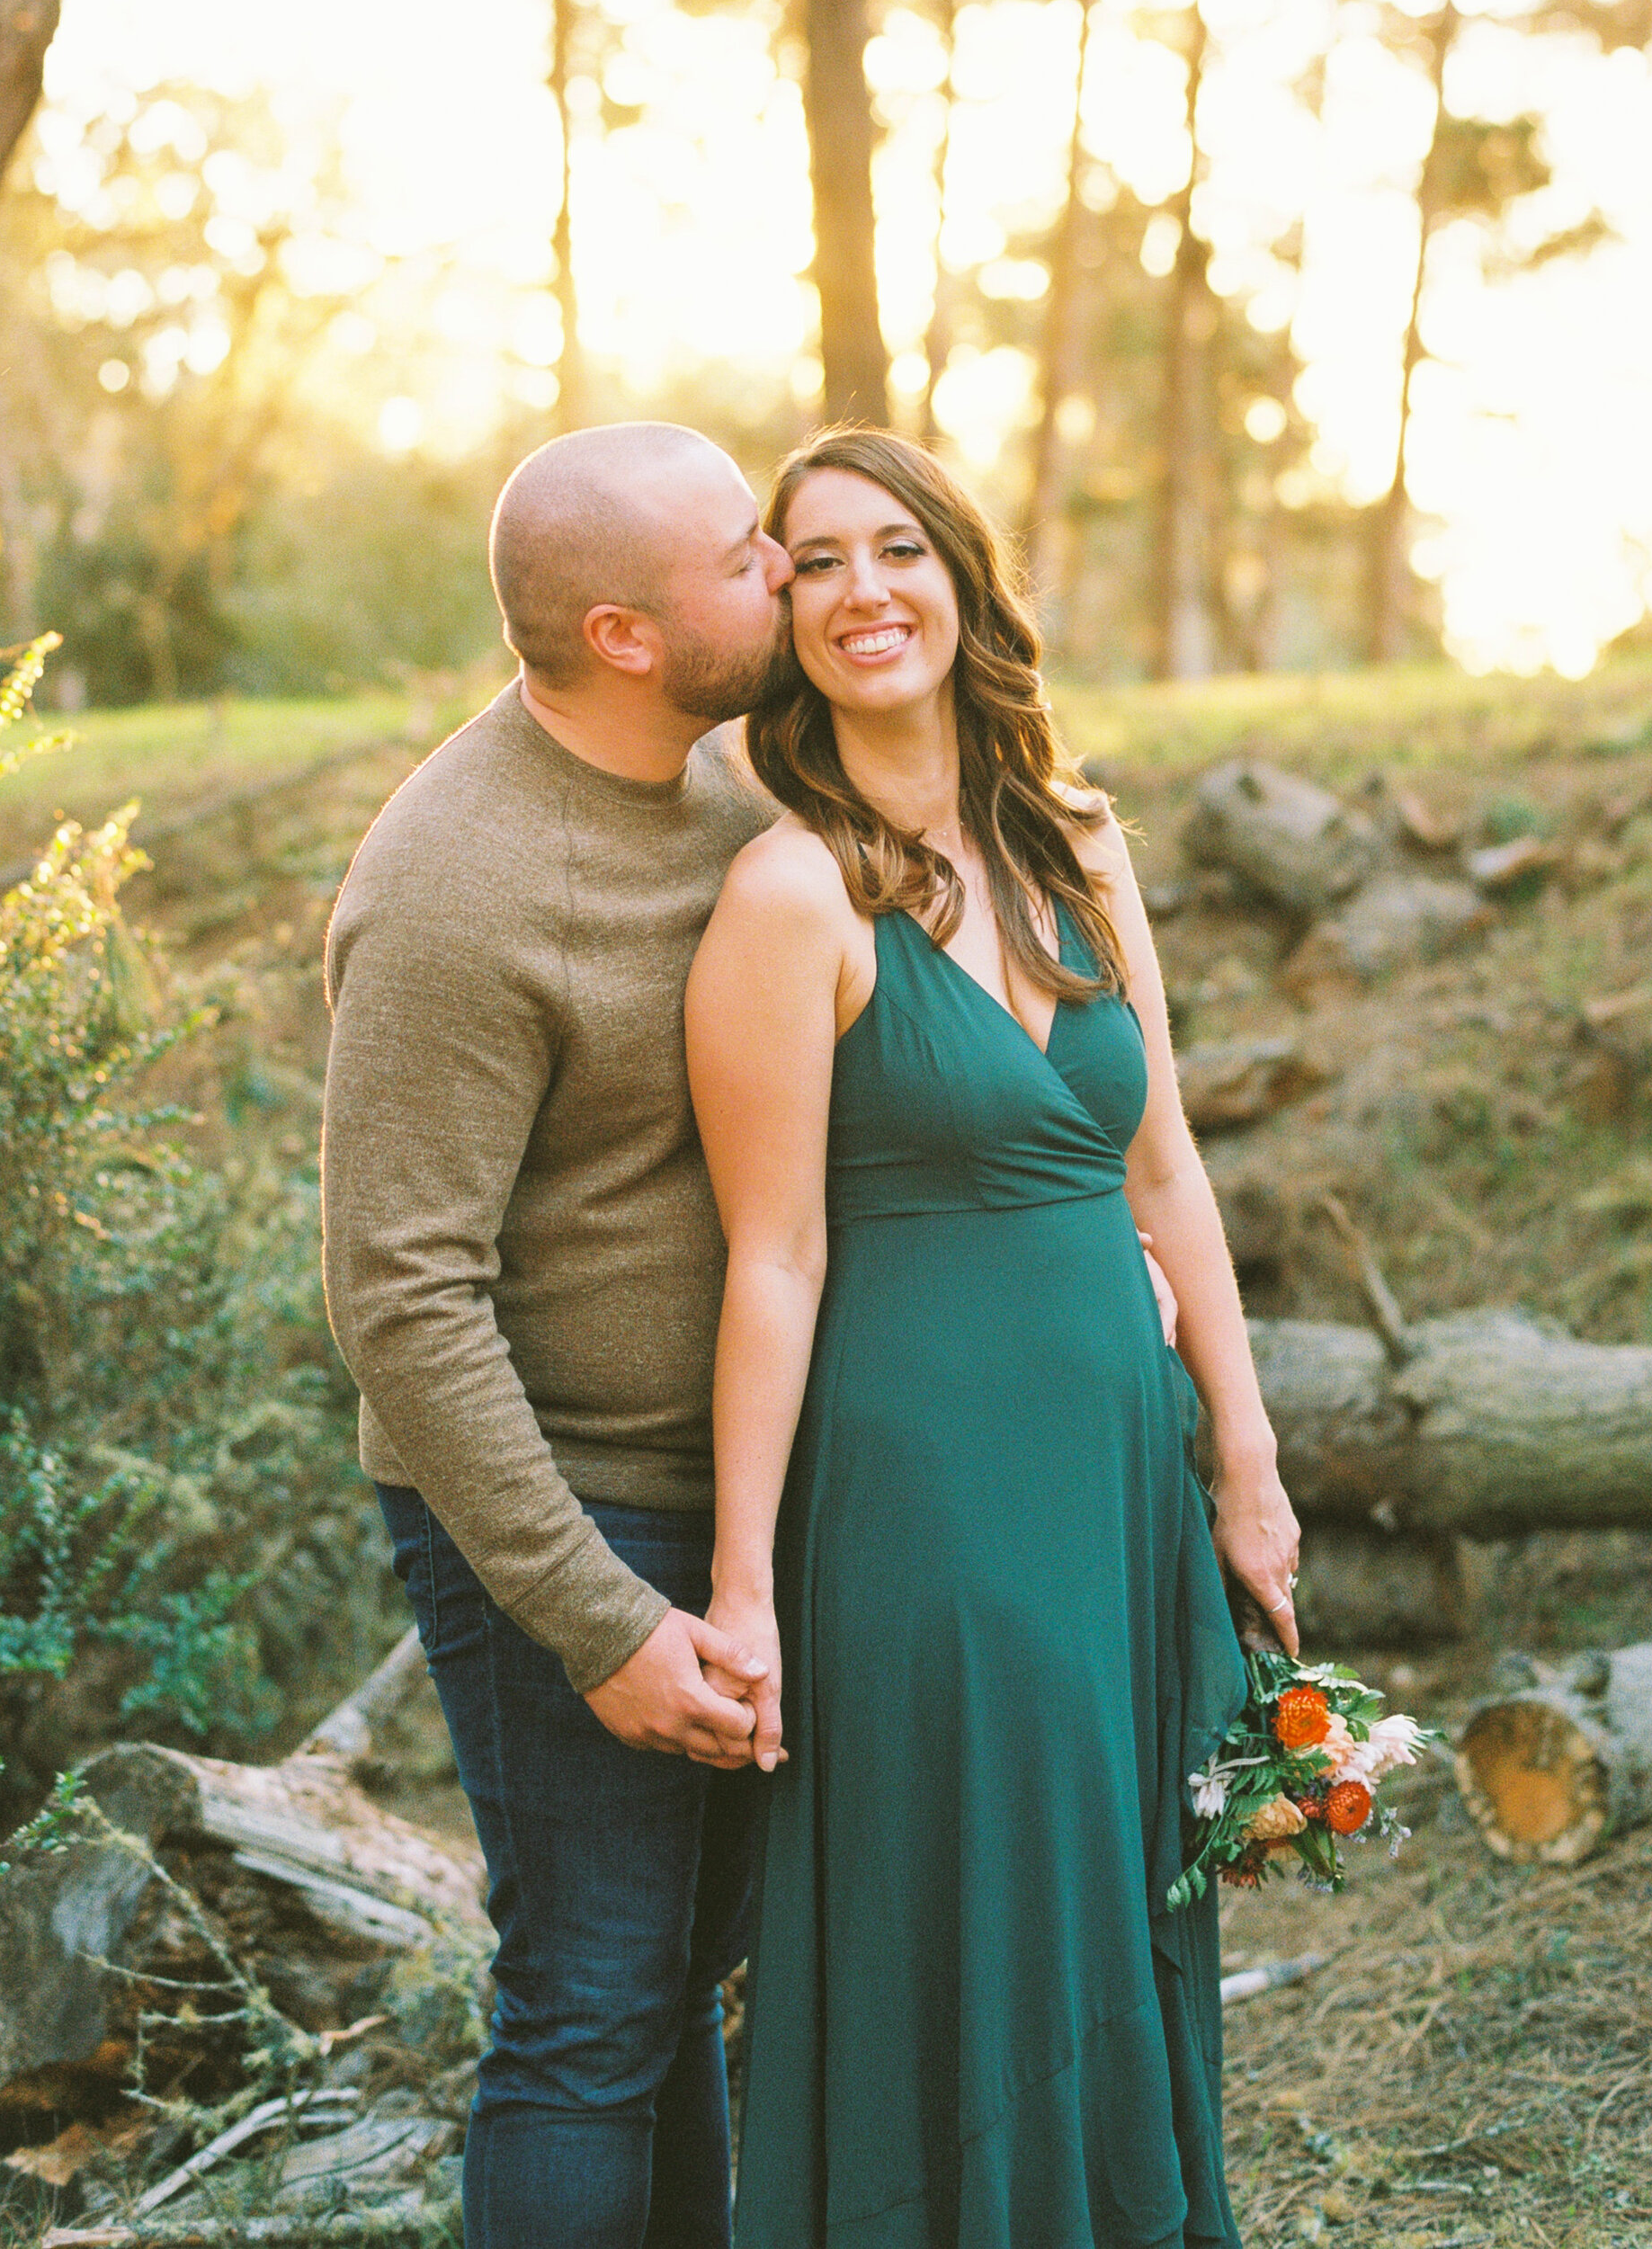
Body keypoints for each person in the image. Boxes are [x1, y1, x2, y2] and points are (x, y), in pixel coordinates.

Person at [687, 426, 1303, 2249]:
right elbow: (772, 1257)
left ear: (960, 576)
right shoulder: (789, 893)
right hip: (926, 1495)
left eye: (896, 549)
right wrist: (742, 1584)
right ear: (780, 608)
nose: (863, 591)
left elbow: (1164, 1168)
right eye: (814, 562)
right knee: (991, 1896)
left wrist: (1245, 1473)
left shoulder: (1078, 839)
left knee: (1121, 1886)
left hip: (1118, 1479)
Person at [319, 421, 794, 2249]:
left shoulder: (726, 794)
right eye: (746, 550)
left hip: (731, 1502)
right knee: (590, 1997)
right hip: (561, 1508)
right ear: (621, 630)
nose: (784, 570)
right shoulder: (456, 883)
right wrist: (595, 1618)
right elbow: (398, 1297)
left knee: (671, 1981)